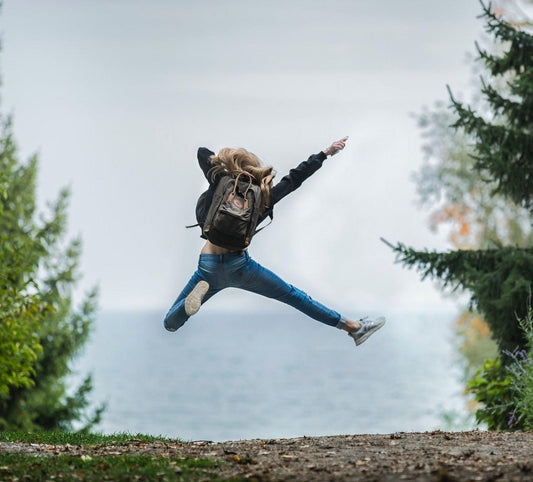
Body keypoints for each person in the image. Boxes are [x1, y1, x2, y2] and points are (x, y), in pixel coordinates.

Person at [164, 137, 386, 346]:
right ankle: (354, 328)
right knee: (295, 297)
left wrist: (226, 167)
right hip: (240, 267)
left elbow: (203, 153)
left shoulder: (220, 181)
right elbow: (294, 179)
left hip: (208, 266)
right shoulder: (262, 196)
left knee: (170, 324)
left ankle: (186, 306)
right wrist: (325, 153)